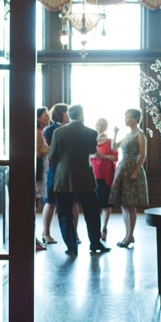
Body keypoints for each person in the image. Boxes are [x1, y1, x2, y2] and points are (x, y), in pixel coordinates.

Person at [47, 104, 110, 258]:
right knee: (92, 213)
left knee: (65, 213)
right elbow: (92, 151)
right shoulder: (90, 132)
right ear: (81, 114)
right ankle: (95, 243)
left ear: (69, 115)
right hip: (84, 176)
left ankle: (71, 246)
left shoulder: (58, 132)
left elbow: (53, 155)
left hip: (64, 177)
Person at [109, 108, 149, 248]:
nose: (126, 119)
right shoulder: (128, 134)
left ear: (136, 119)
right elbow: (115, 147)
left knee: (130, 204)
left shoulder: (140, 134)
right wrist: (115, 133)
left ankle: (130, 235)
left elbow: (143, 155)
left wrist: (135, 172)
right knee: (124, 204)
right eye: (125, 117)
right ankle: (128, 235)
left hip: (132, 168)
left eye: (129, 117)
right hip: (123, 168)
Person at [39, 103, 78, 245]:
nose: (69, 115)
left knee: (73, 202)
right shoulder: (50, 130)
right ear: (61, 114)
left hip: (71, 170)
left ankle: (74, 234)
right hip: (54, 168)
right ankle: (46, 232)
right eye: (67, 112)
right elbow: (51, 150)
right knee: (51, 201)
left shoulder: (73, 129)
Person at [90, 117, 117, 241]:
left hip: (106, 175)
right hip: (93, 175)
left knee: (105, 204)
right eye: (98, 124)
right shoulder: (91, 141)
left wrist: (103, 156)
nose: (100, 127)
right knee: (94, 205)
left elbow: (114, 158)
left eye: (102, 125)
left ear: (106, 127)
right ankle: (95, 230)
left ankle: (104, 228)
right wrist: (93, 155)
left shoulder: (110, 141)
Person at [35, 107, 50, 251]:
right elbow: (38, 152)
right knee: (35, 204)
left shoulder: (41, 133)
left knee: (37, 204)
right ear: (38, 118)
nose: (48, 118)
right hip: (38, 172)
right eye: (46, 115)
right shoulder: (38, 133)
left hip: (41, 172)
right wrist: (51, 148)